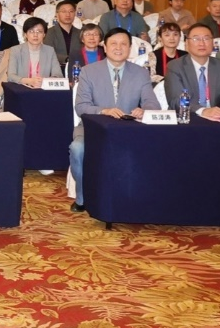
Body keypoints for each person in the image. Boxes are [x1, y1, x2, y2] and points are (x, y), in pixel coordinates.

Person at [68, 28, 163, 213]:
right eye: (113, 43)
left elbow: (152, 103)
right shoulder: (88, 71)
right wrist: (104, 110)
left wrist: (144, 110)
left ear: (129, 48)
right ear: (104, 47)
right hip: (93, 128)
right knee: (78, 148)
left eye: (123, 44)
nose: (118, 48)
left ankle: (136, 196)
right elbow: (81, 107)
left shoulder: (140, 73)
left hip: (128, 129)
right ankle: (82, 197)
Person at [164, 24, 220, 119]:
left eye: (206, 39)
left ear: (213, 43)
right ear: (187, 43)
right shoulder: (175, 66)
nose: (202, 43)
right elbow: (176, 101)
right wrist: (203, 111)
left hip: (215, 119)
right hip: (186, 119)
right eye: (196, 39)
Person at [0, 17, 62, 88]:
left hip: (43, 89)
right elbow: (11, 76)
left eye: (39, 31)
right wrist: (29, 81)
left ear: (44, 34)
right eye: (31, 31)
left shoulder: (50, 50)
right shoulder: (16, 50)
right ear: (25, 34)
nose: (35, 35)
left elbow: (58, 75)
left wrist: (44, 81)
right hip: (22, 89)